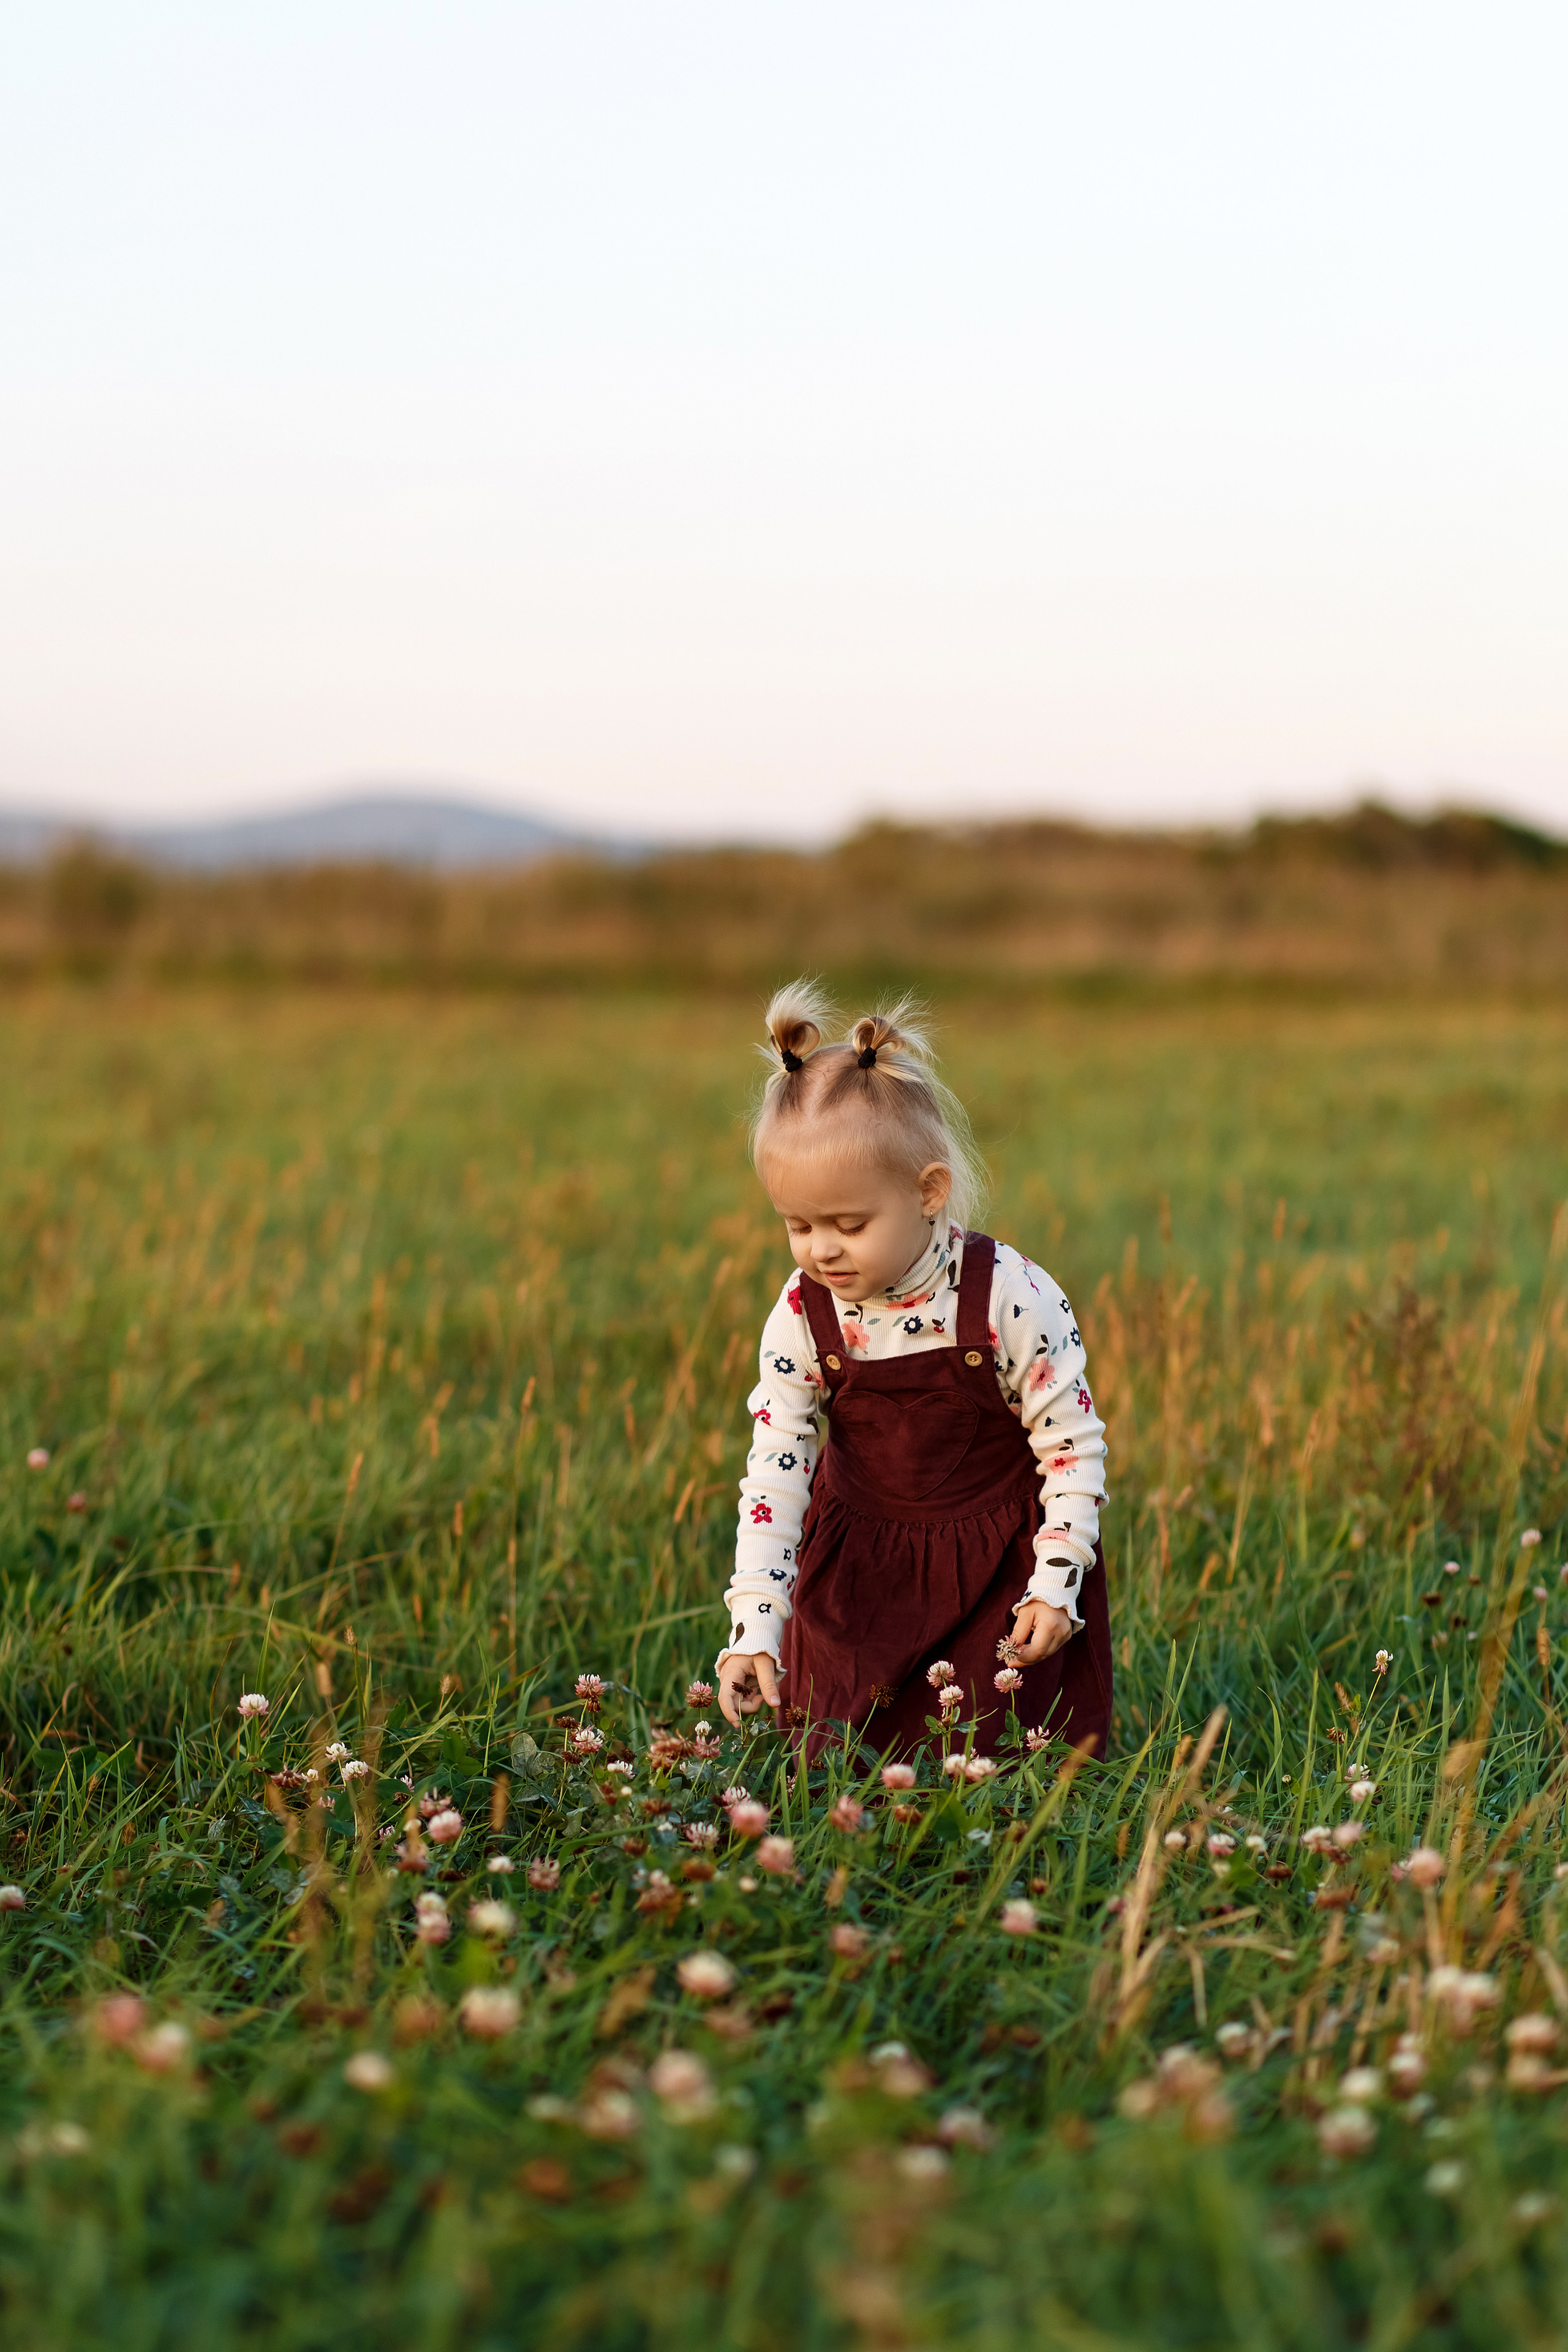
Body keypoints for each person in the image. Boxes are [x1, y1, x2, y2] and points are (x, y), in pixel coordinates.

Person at [715, 981, 1110, 1759]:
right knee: (831, 1758)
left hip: (995, 1567)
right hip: (856, 1565)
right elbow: (775, 1470)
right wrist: (757, 1616)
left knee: (990, 1765)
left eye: (849, 1224)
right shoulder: (803, 1314)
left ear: (927, 1193)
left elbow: (1070, 1446)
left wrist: (1055, 1580)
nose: (821, 1249)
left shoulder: (1011, 1298)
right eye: (797, 1225)